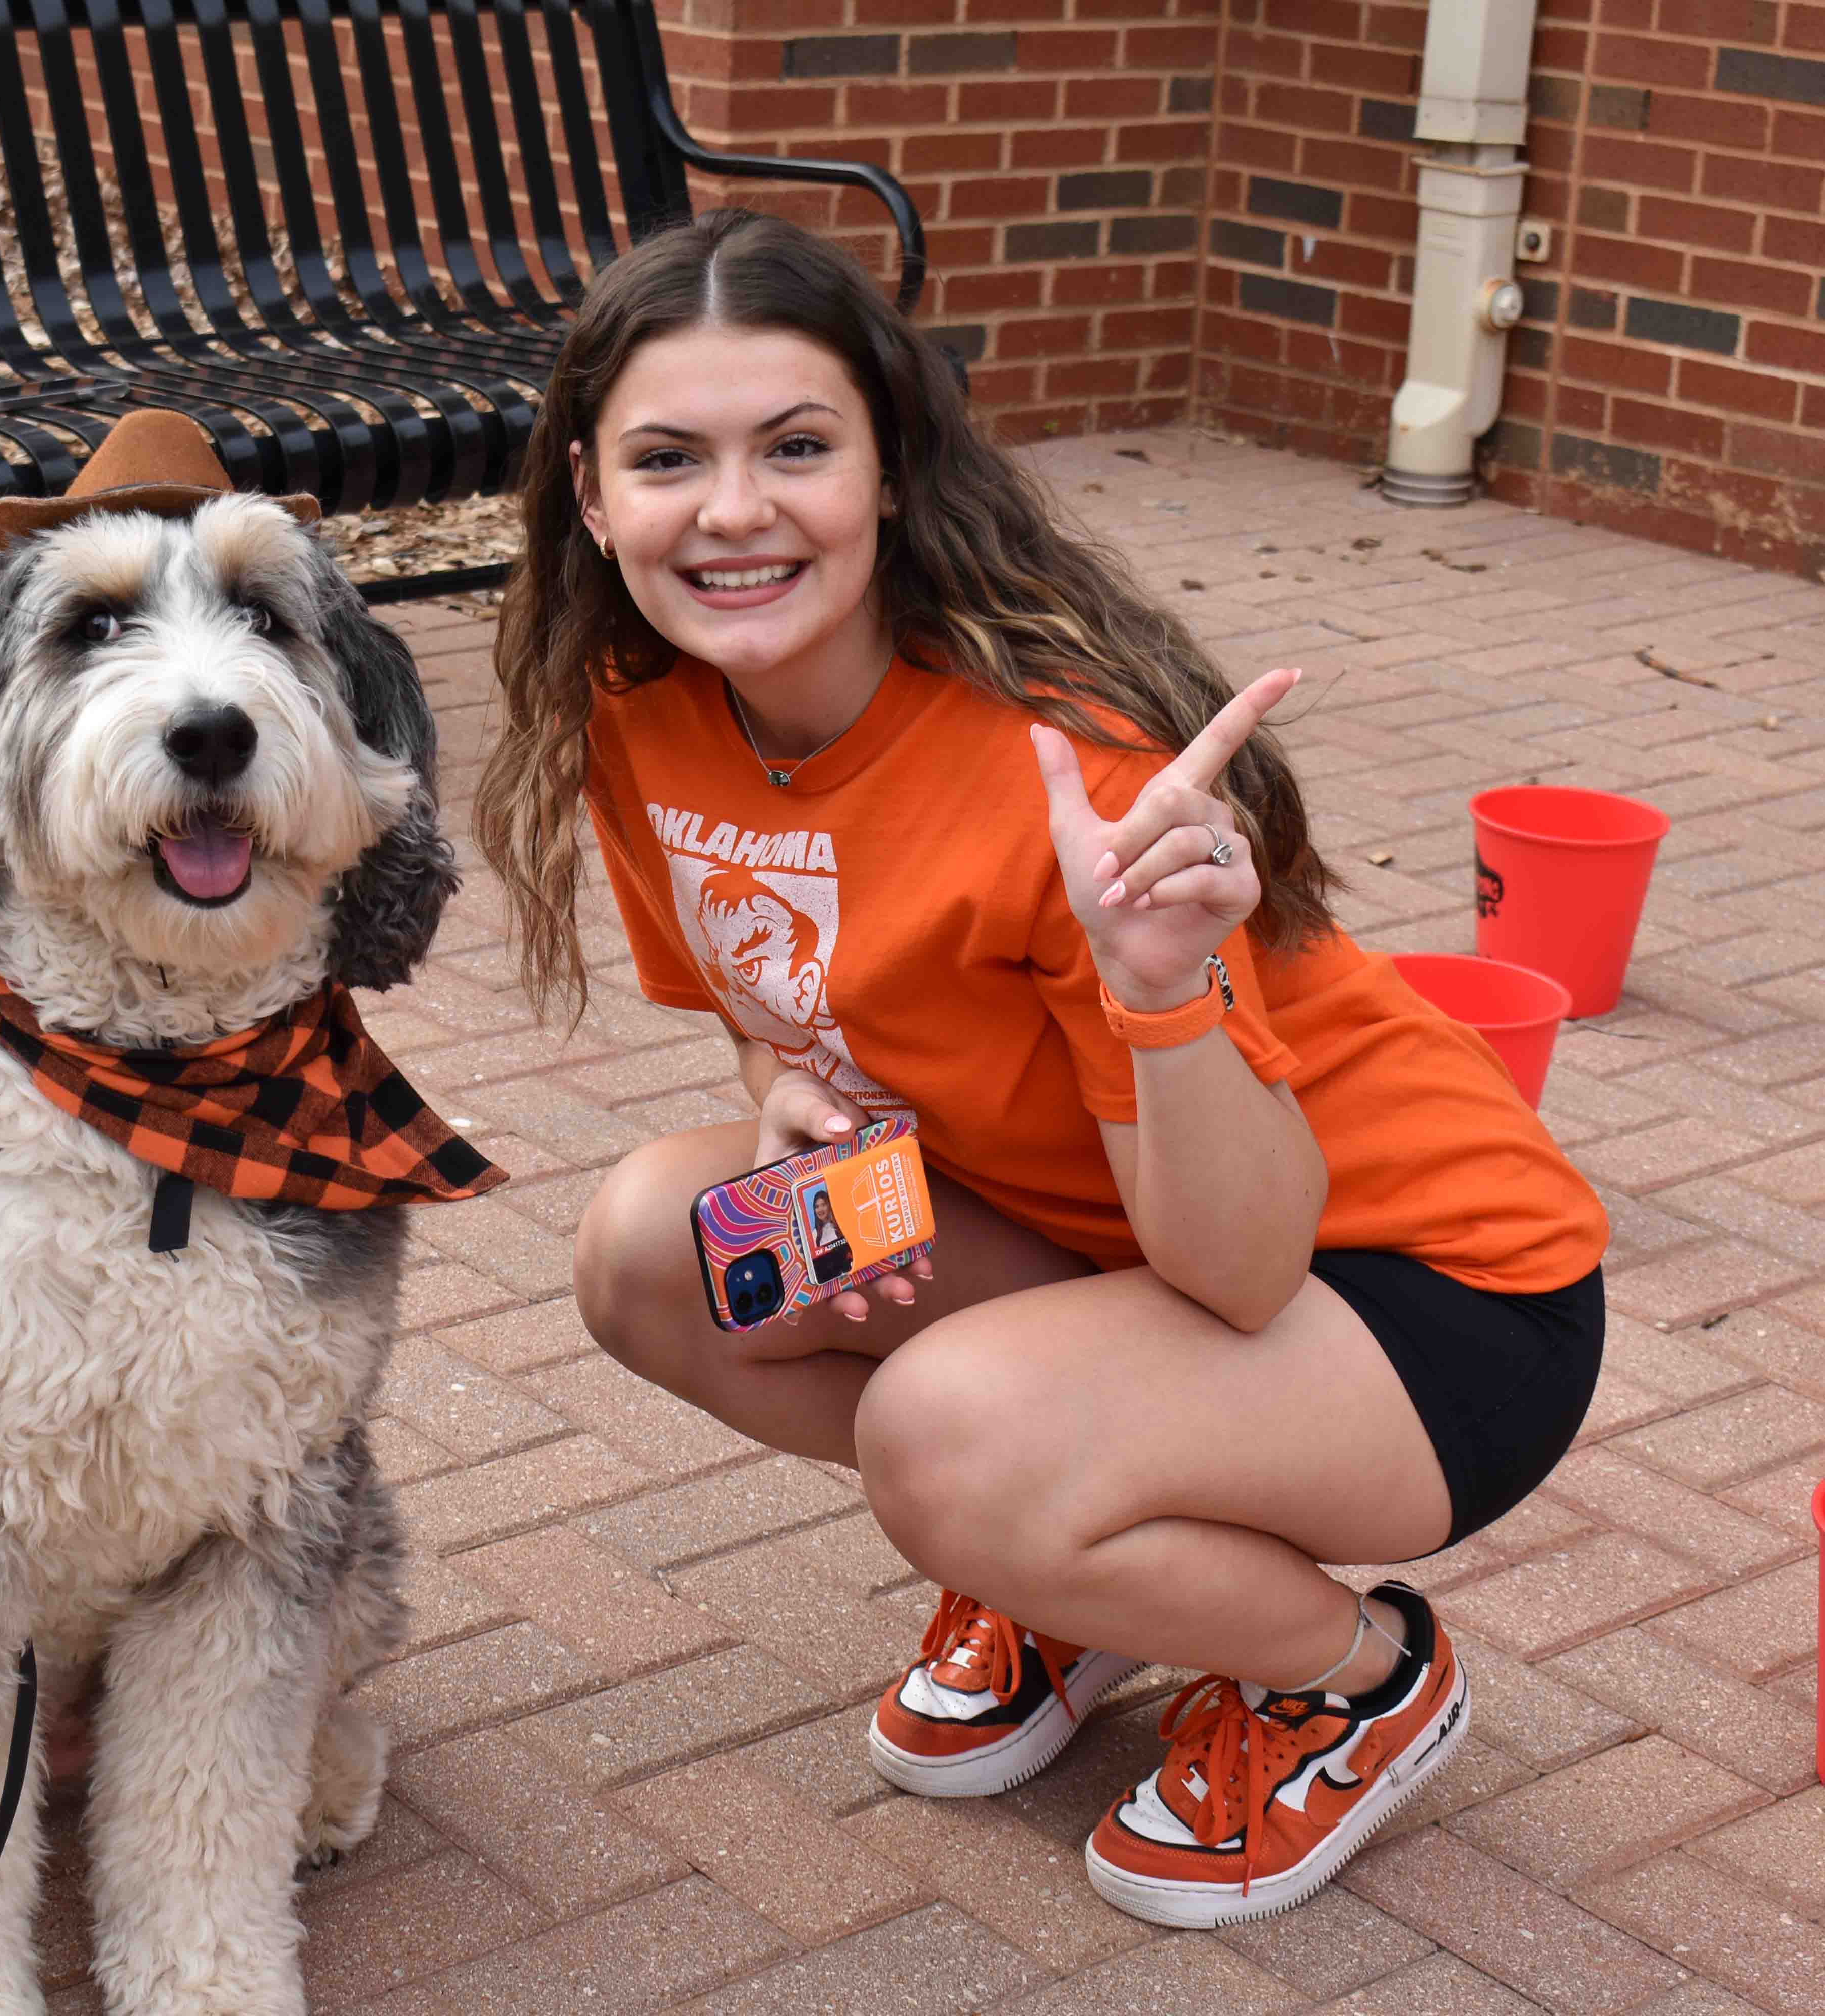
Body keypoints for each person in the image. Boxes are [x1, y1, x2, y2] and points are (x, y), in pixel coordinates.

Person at [471, 209, 1608, 1929]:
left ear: (891, 470)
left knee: (950, 1438)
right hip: (1092, 1240)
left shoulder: (1068, 765)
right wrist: (789, 1080)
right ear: (586, 489)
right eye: (666, 458)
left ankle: (1349, 1677)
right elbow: (772, 986)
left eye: (794, 449)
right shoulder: (648, 705)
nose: (730, 513)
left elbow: (1237, 1268)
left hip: (1415, 1285)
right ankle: (1065, 1563)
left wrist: (1158, 987)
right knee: (665, 1248)